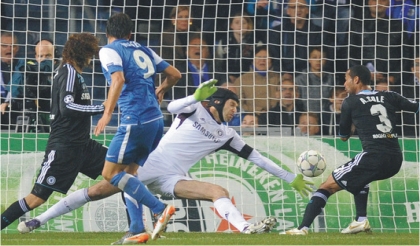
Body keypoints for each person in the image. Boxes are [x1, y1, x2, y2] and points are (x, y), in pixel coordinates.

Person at [18, 81, 314, 244]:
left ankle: (244, 229)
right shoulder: (194, 109)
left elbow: (256, 158)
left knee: (218, 192)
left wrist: (290, 178)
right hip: (150, 163)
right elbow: (171, 106)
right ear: (216, 103)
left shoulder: (228, 134)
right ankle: (37, 221)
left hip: (175, 177)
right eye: (232, 105)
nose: (235, 111)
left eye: (237, 107)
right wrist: (194, 96)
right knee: (96, 192)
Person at [284, 65, 419, 235]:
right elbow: (416, 107)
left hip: (374, 156)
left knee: (326, 187)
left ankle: (302, 229)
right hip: (395, 159)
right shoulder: (390, 96)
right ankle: (360, 220)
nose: (344, 83)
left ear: (356, 80)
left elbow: (344, 136)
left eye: (346, 78)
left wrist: (358, 123)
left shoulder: (350, 102)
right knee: (361, 178)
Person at [0, 33, 107, 231]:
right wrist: (101, 108)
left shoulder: (73, 73)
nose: (92, 59)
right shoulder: (68, 72)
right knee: (36, 199)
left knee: (121, 172)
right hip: (64, 147)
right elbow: (67, 108)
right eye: (90, 54)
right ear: (82, 53)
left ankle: (136, 227)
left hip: (83, 145)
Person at [94, 13, 181, 242]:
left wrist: (107, 114)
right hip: (155, 122)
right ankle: (136, 228)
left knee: (109, 173)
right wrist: (161, 88)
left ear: (107, 33)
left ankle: (159, 208)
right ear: (130, 33)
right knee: (129, 175)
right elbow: (174, 74)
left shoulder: (108, 50)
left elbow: (118, 79)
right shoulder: (144, 49)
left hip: (136, 120)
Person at [349, 0, 407, 86]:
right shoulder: (356, 24)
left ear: (388, 3)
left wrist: (393, 77)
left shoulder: (398, 26)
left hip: (391, 82)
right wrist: (363, 74)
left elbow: (406, 55)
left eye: (383, 0)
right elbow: (348, 53)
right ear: (368, 2)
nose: (378, 3)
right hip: (361, 81)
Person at [268, 0, 326, 73]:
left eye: (301, 7)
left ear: (307, 10)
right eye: (293, 7)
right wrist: (283, 74)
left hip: (311, 75)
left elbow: (324, 58)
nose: (298, 10)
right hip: (285, 77)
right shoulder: (277, 32)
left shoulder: (319, 32)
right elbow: (274, 57)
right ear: (288, 11)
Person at [232, 45, 280, 125]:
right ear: (252, 60)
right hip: (250, 118)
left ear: (271, 60)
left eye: (266, 57)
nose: (262, 60)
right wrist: (258, 110)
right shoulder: (242, 80)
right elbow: (238, 102)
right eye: (259, 57)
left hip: (275, 117)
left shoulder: (278, 78)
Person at [170, 34, 226, 100]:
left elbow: (224, 83)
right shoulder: (178, 70)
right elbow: (176, 94)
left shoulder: (216, 67)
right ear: (187, 52)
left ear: (207, 53)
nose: (197, 48)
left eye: (202, 47)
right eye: (194, 46)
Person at [23, 39, 58, 132]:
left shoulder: (64, 75)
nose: (44, 59)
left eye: (48, 56)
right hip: (36, 118)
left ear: (55, 58)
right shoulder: (29, 75)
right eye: (41, 56)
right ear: (36, 57)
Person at [215, 12, 256, 84]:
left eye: (244, 23)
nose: (241, 25)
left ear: (248, 25)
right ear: (231, 25)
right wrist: (226, 77)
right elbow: (218, 63)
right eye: (237, 23)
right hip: (226, 80)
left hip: (248, 80)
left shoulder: (256, 43)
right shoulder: (224, 42)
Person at [295, 46, 334, 114]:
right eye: (314, 57)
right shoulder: (300, 80)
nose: (318, 60)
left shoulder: (332, 79)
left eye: (322, 57)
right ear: (309, 59)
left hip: (327, 116)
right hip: (306, 116)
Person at [0, 31, 24, 129]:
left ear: (17, 48)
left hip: (18, 112)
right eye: (4, 46)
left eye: (12, 46)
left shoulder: (23, 66)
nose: (9, 49)